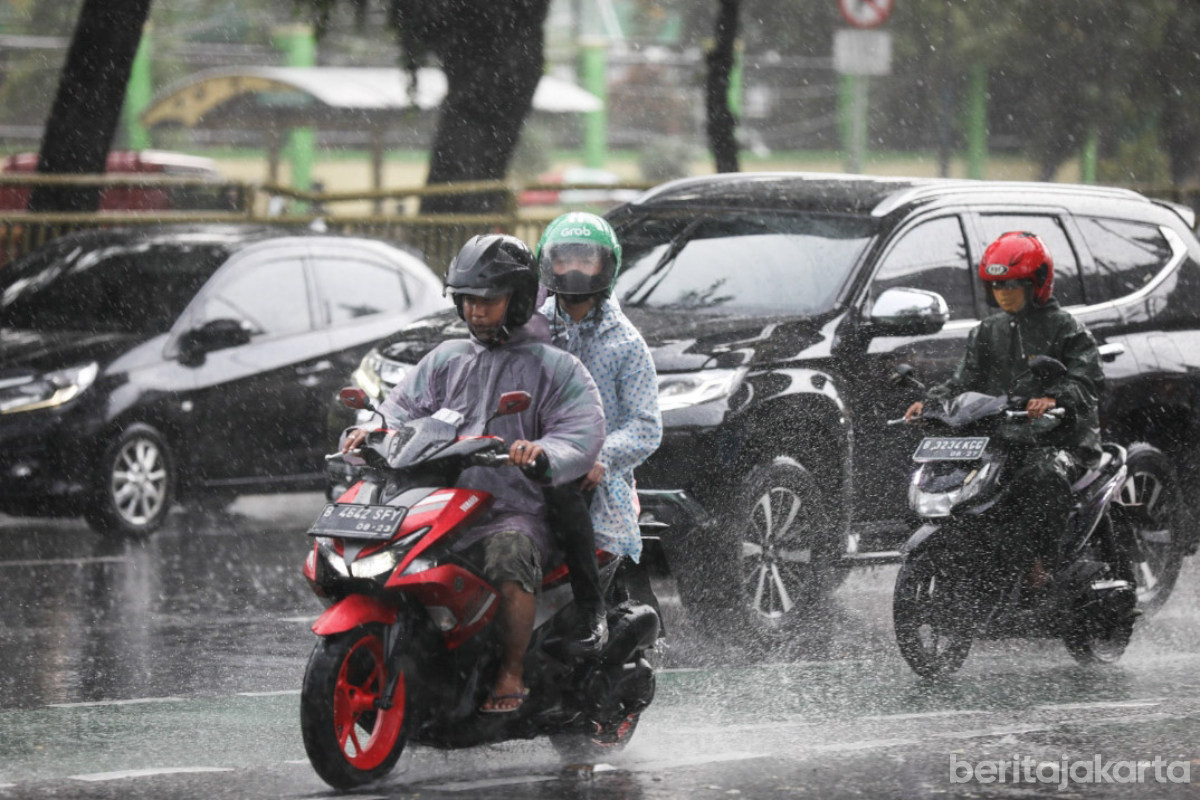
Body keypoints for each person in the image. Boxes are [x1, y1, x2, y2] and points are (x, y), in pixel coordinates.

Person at [342, 234, 604, 713]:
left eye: (488, 300)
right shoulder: (446, 359)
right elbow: (399, 409)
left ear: (518, 300)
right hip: (439, 503)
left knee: (509, 556)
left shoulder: (556, 368)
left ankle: (511, 672)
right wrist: (371, 432)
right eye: (467, 300)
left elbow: (580, 432)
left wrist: (540, 451)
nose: (475, 312)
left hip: (515, 508)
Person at [905, 231, 1104, 582]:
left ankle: (1043, 563)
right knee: (948, 473)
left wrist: (1055, 398)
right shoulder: (987, 330)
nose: (1004, 292)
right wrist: (931, 404)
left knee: (1043, 475)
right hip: (1002, 437)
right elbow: (962, 382)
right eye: (997, 285)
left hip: (1061, 440)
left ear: (1037, 283)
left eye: (1013, 284)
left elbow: (1088, 381)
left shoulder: (1067, 328)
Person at [535, 212, 663, 626]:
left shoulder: (627, 344)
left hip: (597, 485)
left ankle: (595, 618)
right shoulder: (532, 331)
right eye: (564, 259)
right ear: (547, 263)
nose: (573, 269)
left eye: (585, 259)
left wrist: (600, 457)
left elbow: (646, 426)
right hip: (530, 465)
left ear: (607, 265)